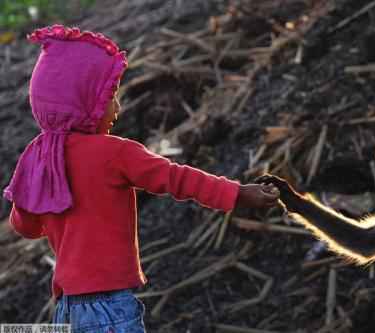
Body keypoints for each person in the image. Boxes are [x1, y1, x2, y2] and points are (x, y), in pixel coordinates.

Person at [4, 25, 279, 333]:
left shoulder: (37, 157)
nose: (118, 108)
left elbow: (24, 225)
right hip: (108, 308)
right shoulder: (114, 153)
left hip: (67, 307)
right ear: (83, 101)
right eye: (110, 96)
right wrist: (238, 193)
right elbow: (176, 178)